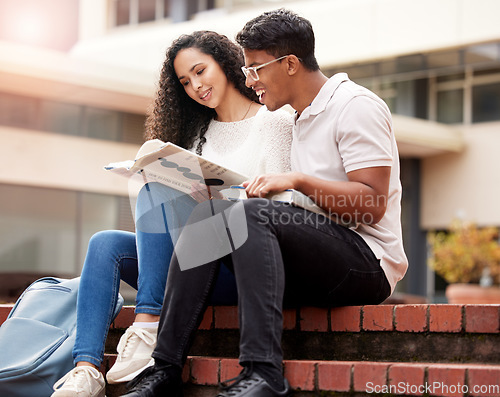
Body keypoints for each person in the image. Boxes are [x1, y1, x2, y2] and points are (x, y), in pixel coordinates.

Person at [122, 9, 408, 397]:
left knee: (248, 215)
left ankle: (264, 372)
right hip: (313, 257)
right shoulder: (298, 118)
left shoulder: (355, 106)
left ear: (290, 64)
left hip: (366, 263)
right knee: (209, 213)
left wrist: (298, 181)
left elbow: (371, 205)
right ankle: (165, 368)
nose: (249, 79)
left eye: (255, 68)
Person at [51, 30, 293, 397]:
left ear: (226, 64)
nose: (196, 86)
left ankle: (148, 326)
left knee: (163, 189)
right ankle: (86, 371)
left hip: (241, 267)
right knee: (106, 242)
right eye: (185, 81)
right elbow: (157, 221)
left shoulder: (273, 122)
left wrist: (221, 201)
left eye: (200, 71)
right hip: (188, 267)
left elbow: (280, 212)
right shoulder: (197, 135)